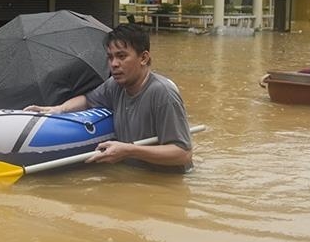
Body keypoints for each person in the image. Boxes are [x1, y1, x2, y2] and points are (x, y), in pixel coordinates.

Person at [24, 24, 194, 171]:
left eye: (121, 56)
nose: (114, 64)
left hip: (164, 182)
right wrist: (58, 109)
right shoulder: (115, 85)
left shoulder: (163, 94)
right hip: (132, 176)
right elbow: (87, 100)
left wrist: (130, 151)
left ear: (143, 58)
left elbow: (182, 153)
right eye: (110, 57)